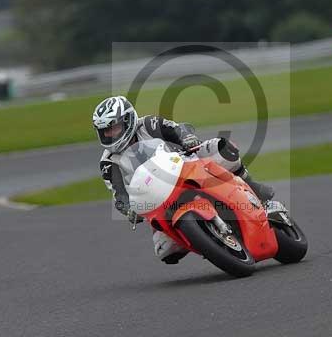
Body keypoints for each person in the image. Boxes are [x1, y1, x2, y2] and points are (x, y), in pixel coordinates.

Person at [92, 95, 275, 264]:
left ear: (128, 121)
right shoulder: (108, 162)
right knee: (165, 250)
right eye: (104, 131)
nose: (109, 135)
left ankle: (252, 185)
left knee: (222, 148)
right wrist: (127, 208)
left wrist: (187, 137)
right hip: (158, 197)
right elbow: (118, 193)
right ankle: (208, 241)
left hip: (185, 163)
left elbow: (178, 128)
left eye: (113, 128)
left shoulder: (148, 124)